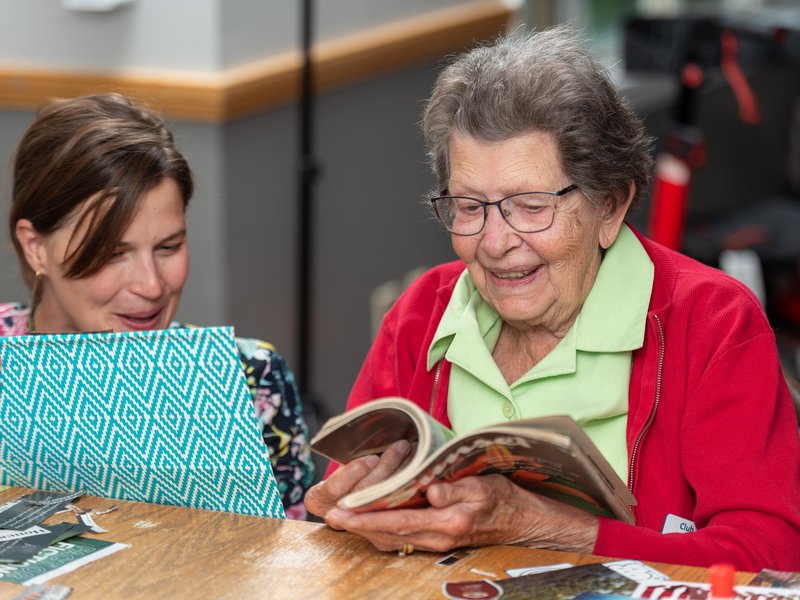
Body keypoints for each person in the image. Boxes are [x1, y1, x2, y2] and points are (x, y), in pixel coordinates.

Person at [305, 26, 800, 569]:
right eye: (469, 207)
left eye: (531, 206)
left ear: (608, 206)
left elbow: (770, 554)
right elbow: (346, 508)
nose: (495, 244)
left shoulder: (711, 322)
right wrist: (343, 507)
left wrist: (545, 526)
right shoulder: (423, 311)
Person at [1, 93, 314, 519]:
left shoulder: (252, 380)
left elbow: (288, 562)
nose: (151, 286)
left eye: (169, 246)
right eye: (112, 253)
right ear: (35, 247)